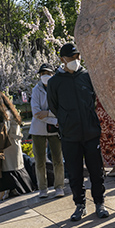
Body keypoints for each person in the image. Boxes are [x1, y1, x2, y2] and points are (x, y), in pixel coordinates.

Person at [47, 42, 109, 222]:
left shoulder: (87, 76)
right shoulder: (54, 82)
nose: (75, 60)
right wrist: (67, 119)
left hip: (90, 133)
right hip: (70, 135)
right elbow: (54, 106)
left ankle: (99, 202)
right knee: (75, 173)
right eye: (71, 57)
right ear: (62, 59)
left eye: (77, 56)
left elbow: (94, 99)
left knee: (96, 171)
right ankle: (80, 205)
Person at [0, 90, 32, 203]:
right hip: (12, 146)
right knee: (15, 170)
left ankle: (1, 194)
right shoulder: (10, 112)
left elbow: (2, 132)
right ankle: (17, 190)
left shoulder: (4, 115)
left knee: (5, 171)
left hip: (7, 147)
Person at [29, 64, 66, 198]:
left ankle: (59, 186)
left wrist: (48, 113)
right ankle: (42, 188)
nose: (45, 76)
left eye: (47, 73)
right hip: (39, 130)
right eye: (42, 73)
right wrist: (53, 119)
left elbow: (61, 109)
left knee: (58, 159)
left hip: (54, 130)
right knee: (39, 161)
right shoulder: (36, 90)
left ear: (52, 74)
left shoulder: (58, 88)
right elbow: (36, 113)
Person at [97, 100, 115, 177]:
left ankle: (110, 167)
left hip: (102, 114)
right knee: (112, 140)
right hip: (110, 113)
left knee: (105, 141)